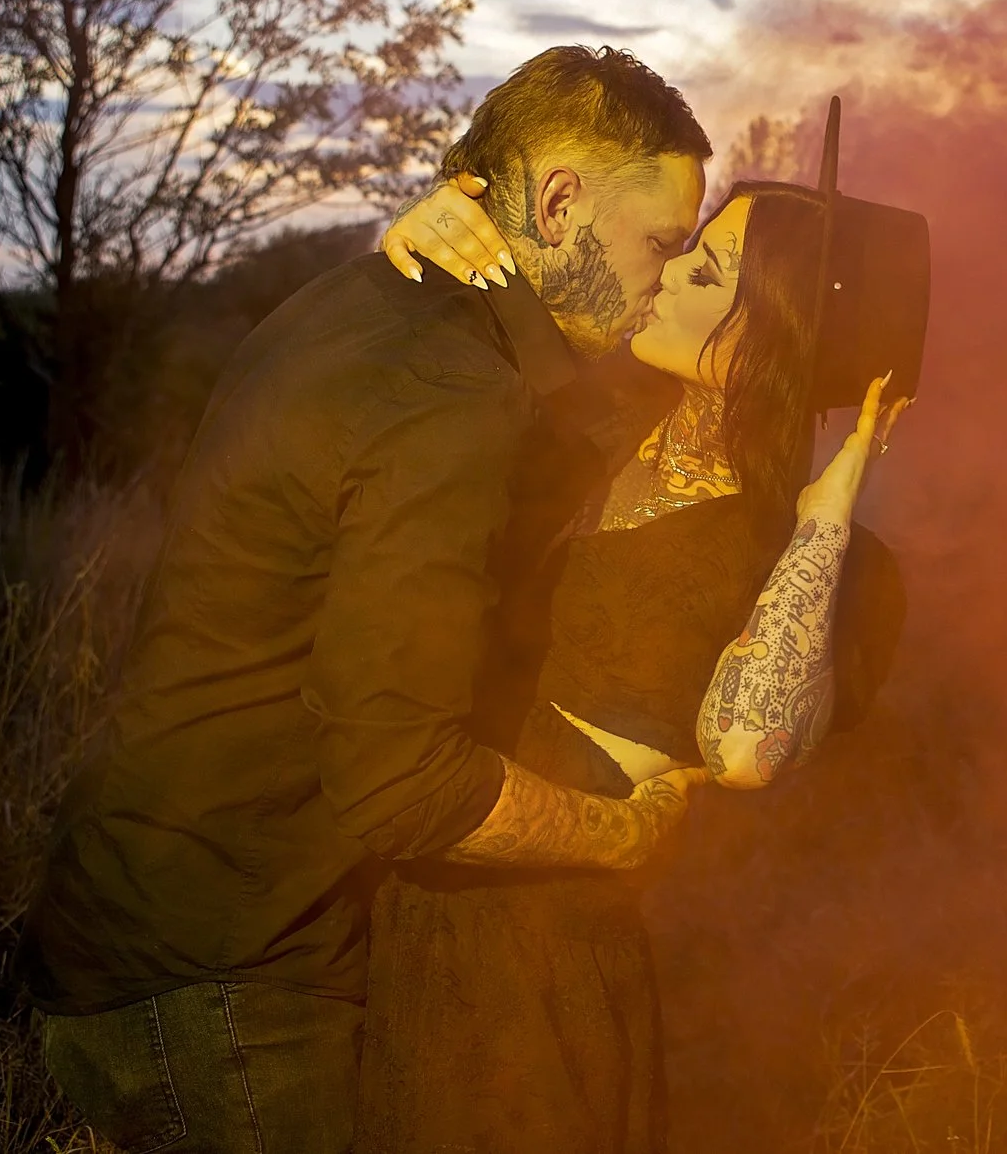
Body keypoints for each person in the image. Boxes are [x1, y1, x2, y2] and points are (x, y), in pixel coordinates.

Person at [20, 46, 717, 1154]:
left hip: (154, 925)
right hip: (220, 972)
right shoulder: (445, 388)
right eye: (659, 244)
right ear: (557, 199)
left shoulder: (382, 304)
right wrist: (620, 833)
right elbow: (402, 783)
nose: (662, 277)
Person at [356, 165, 920, 1152]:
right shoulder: (595, 426)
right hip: (416, 894)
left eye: (707, 271)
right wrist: (422, 241)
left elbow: (747, 750)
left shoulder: (820, 562)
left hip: (547, 950)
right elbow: (421, 395)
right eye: (688, 247)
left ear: (776, 329)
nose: (668, 273)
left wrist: (825, 515)